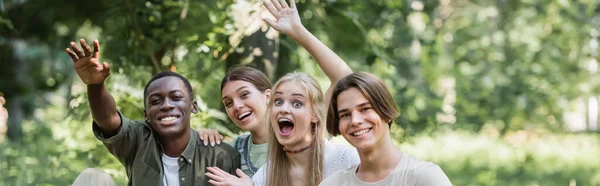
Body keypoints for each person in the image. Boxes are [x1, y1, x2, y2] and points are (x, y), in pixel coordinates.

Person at [205, 0, 359, 186]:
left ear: (268, 97)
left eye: (244, 95)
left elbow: (344, 78)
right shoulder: (244, 156)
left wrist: (298, 31)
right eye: (228, 103)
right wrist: (205, 135)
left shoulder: (325, 146)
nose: (237, 106)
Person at [65, 39, 241, 186]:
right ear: (146, 114)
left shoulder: (221, 155)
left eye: (176, 97)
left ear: (193, 106)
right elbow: (108, 119)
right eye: (155, 101)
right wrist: (95, 85)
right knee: (92, 178)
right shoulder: (138, 140)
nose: (166, 106)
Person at [320, 72, 452, 186]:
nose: (355, 121)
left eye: (365, 109)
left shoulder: (425, 178)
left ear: (386, 111)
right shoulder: (333, 183)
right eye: (345, 115)